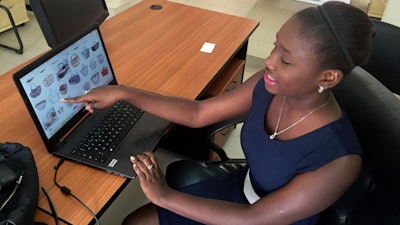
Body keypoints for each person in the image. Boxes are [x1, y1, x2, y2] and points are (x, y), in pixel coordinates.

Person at [62, 1, 374, 224]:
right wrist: (125, 92)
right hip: (241, 188)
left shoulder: (338, 161)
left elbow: (255, 218)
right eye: (276, 46)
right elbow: (199, 113)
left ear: (328, 77)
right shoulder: (270, 84)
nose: (269, 61)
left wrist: (164, 195)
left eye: (287, 60)